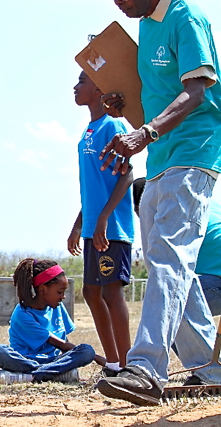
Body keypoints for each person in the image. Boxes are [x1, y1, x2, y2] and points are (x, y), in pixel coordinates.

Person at [96, 0, 221, 406]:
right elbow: (158, 95)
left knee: (170, 259)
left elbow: (197, 92)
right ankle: (210, 369)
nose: (118, 2)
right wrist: (128, 108)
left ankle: (147, 368)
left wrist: (145, 132)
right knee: (170, 267)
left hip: (194, 154)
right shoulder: (147, 26)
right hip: (160, 158)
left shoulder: (186, 19)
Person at [67, 71, 134, 377]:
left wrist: (105, 218)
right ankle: (113, 364)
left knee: (110, 293)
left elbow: (127, 175)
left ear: (98, 88)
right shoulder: (88, 132)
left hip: (112, 230)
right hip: (93, 229)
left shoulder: (114, 125)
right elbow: (92, 185)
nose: (75, 86)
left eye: (82, 81)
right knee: (91, 293)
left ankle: (130, 366)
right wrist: (80, 223)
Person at [0, 259, 102, 384]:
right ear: (43, 289)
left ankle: (30, 376)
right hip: (24, 360)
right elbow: (58, 343)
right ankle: (52, 374)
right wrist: (97, 358)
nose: (63, 297)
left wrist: (83, 355)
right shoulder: (22, 314)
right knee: (0, 351)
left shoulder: (58, 307)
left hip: (54, 361)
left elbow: (64, 341)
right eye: (59, 292)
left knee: (86, 350)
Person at [133, 178, 221, 316]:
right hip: (217, 277)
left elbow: (164, 278)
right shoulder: (202, 201)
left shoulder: (169, 223)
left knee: (166, 306)